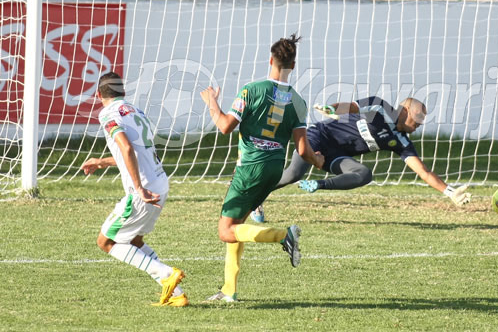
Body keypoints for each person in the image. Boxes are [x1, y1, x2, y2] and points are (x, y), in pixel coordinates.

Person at [200, 34, 324, 302]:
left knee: (225, 231)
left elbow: (224, 126)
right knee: (237, 225)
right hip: (274, 169)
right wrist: (319, 161)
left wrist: (211, 100)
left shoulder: (251, 90)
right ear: (293, 64)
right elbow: (303, 150)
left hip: (250, 168)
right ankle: (229, 290)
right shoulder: (298, 102)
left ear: (270, 60)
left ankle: (282, 236)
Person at [249, 95, 471, 223]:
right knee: (293, 174)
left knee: (364, 174)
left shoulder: (401, 141)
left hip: (337, 156)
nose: (419, 124)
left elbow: (423, 172)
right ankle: (253, 192)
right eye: (416, 119)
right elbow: (352, 106)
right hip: (319, 137)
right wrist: (331, 108)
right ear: (404, 111)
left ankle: (318, 184)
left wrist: (449, 192)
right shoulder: (380, 107)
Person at [81, 72, 187, 307]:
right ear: (123, 93)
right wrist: (101, 161)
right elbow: (135, 152)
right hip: (160, 182)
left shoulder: (107, 114)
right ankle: (176, 294)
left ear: (99, 95)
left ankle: (167, 274)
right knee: (135, 240)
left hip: (143, 190)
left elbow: (126, 148)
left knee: (105, 242)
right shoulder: (137, 112)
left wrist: (138, 188)